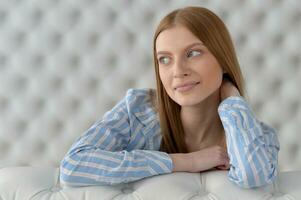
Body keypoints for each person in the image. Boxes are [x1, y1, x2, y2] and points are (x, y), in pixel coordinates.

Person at [59, 6, 280, 188]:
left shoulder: (256, 136)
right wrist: (186, 161)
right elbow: (73, 166)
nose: (177, 71)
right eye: (165, 59)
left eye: (193, 53)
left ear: (223, 59)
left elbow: (254, 176)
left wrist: (232, 99)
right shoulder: (138, 111)